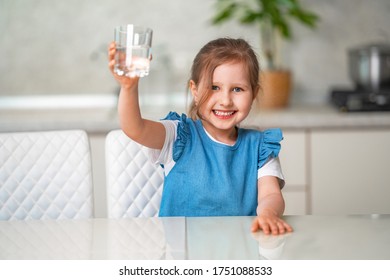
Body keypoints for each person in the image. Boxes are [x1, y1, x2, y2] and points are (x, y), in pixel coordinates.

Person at [108, 37, 293, 235]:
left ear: (254, 93)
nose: (225, 100)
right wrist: (129, 87)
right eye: (214, 87)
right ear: (195, 91)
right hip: (183, 257)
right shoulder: (179, 137)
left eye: (237, 89)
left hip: (239, 255)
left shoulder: (260, 147)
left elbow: (271, 194)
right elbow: (135, 128)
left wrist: (268, 213)